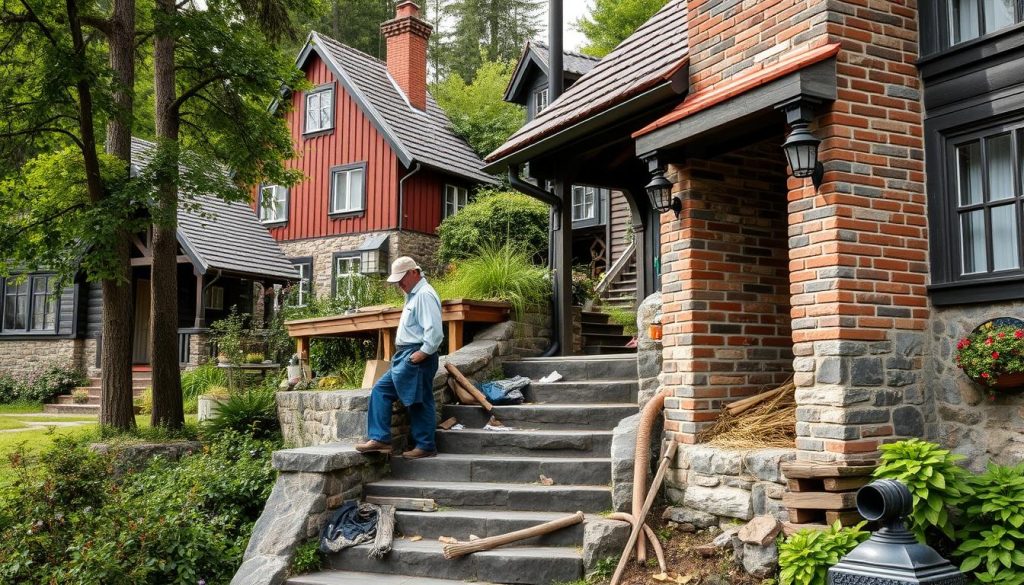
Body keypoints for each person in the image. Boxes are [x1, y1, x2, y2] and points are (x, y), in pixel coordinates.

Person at [355, 256, 443, 459]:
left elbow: (435, 332)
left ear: (414, 272)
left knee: (418, 400)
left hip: (416, 354)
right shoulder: (413, 294)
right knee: (381, 390)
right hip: (408, 355)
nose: (399, 284)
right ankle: (380, 439)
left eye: (401, 279)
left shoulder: (424, 295)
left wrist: (418, 356)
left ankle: (426, 446)